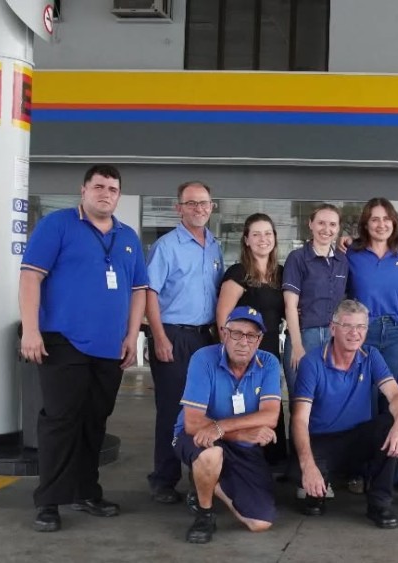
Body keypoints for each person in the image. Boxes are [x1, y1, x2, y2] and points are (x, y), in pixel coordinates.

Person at [19, 164, 148, 532]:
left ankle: (86, 491)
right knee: (61, 422)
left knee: (94, 422)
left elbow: (139, 289)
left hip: (109, 347)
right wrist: (31, 330)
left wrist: (131, 336)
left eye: (112, 188)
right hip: (63, 341)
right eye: (98, 186)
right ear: (83, 190)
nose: (105, 193)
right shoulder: (57, 225)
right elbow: (30, 276)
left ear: (119, 196)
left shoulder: (127, 237)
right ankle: (49, 500)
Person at [291, 300, 398, 529]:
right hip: (323, 442)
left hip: (357, 438)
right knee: (312, 502)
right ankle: (317, 484)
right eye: (347, 326)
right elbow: (299, 419)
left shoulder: (371, 355)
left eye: (361, 327)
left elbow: (397, 396)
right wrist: (308, 466)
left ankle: (379, 503)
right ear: (333, 328)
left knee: (390, 424)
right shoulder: (312, 362)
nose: (354, 333)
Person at [173, 306, 282, 544]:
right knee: (211, 454)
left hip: (236, 440)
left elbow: (271, 416)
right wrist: (238, 432)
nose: (244, 342)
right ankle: (205, 513)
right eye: (236, 333)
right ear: (224, 333)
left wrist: (222, 428)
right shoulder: (203, 358)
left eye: (251, 335)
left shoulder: (269, 362)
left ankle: (210, 482)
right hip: (197, 436)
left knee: (260, 523)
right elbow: (192, 422)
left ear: (259, 340)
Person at [144, 180, 223, 504]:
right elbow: (150, 293)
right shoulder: (166, 246)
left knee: (205, 409)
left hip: (206, 338)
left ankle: (200, 475)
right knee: (172, 409)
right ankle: (164, 479)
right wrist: (159, 337)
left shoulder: (215, 245)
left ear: (211, 206)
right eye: (191, 203)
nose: (198, 208)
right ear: (179, 208)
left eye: (203, 202)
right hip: (173, 335)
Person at [216, 213, 287, 464]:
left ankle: (272, 462)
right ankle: (241, 459)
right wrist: (231, 355)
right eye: (256, 234)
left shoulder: (281, 273)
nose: (262, 239)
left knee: (269, 404)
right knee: (244, 405)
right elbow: (223, 318)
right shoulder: (238, 273)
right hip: (243, 351)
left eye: (267, 233)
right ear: (246, 240)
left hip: (269, 354)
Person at [282, 203, 348, 395]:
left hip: (334, 338)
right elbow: (290, 305)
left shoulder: (343, 261)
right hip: (304, 336)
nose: (326, 229)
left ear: (338, 228)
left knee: (329, 399)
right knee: (302, 399)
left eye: (332, 225)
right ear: (310, 224)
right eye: (321, 223)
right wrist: (297, 345)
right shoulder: (297, 258)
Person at [346, 198, 398, 388]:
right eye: (375, 219)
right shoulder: (351, 254)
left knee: (391, 389)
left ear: (393, 223)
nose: (381, 225)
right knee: (364, 388)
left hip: (396, 331)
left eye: (386, 219)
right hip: (363, 330)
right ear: (366, 224)